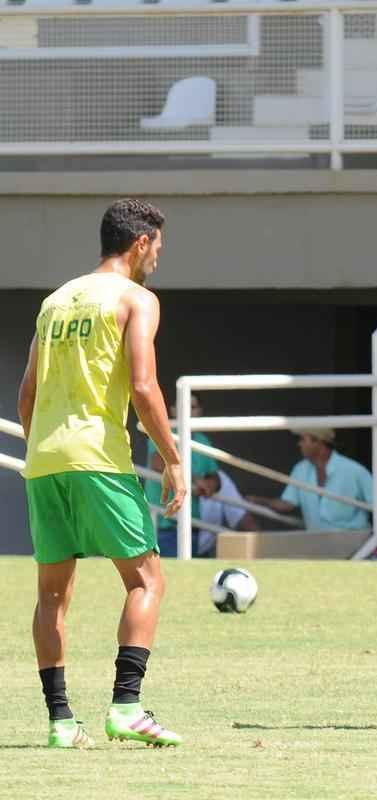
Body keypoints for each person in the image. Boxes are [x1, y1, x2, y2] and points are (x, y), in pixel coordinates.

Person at [17, 198, 186, 748]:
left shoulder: (55, 301)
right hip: (100, 459)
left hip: (43, 462)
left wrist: (45, 448)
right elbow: (143, 387)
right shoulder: (137, 298)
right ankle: (127, 707)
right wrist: (173, 457)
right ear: (140, 243)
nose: (159, 256)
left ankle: (61, 723)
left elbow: (27, 396)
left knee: (52, 596)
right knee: (146, 580)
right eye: (158, 246)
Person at [249, 428, 372, 530]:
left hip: (355, 540)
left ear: (319, 442)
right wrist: (258, 501)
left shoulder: (354, 470)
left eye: (303, 439)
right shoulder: (300, 469)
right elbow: (287, 504)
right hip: (318, 542)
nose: (299, 444)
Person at [144, 392, 218, 557]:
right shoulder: (162, 432)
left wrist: (210, 484)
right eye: (184, 407)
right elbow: (158, 463)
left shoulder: (203, 441)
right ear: (172, 410)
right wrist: (195, 480)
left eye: (193, 407)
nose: (189, 412)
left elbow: (215, 475)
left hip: (193, 524)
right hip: (163, 525)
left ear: (200, 411)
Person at [194, 467, 260, 556]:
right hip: (172, 537)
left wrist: (265, 548)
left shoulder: (219, 477)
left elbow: (244, 521)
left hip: (202, 550)